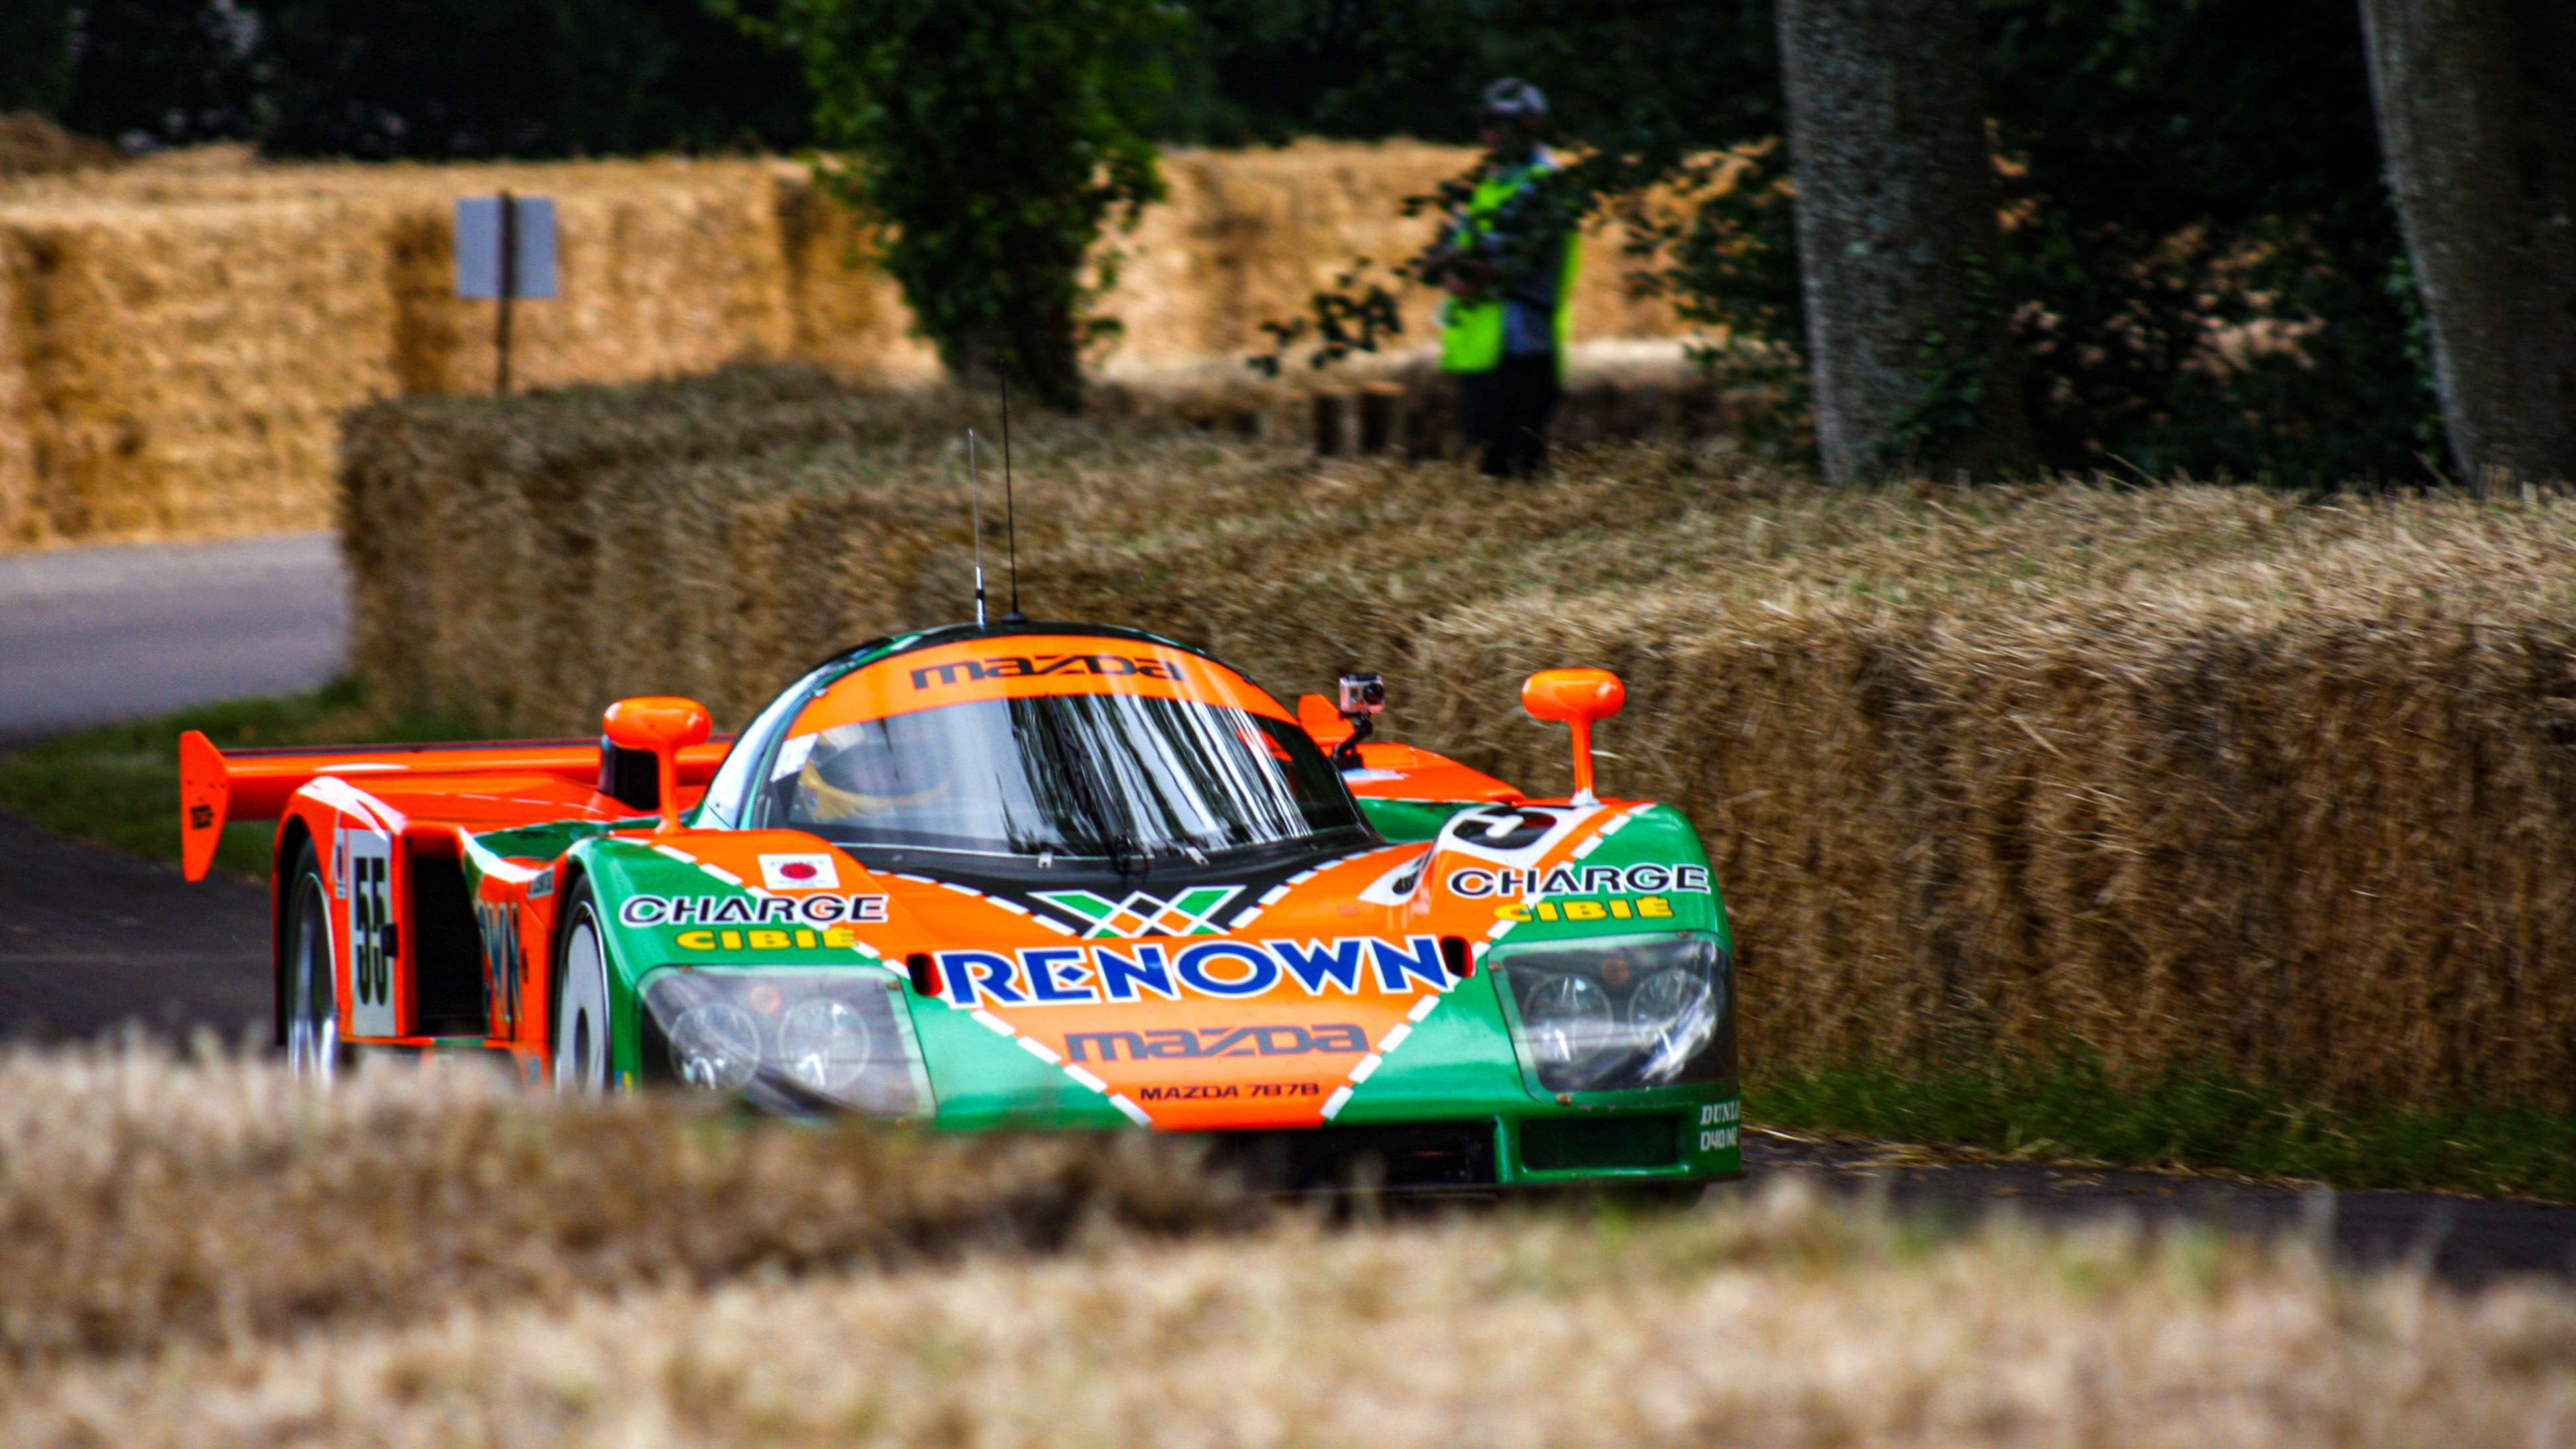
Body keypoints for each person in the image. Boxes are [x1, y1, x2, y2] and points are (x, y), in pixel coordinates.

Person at [1436, 78, 1580, 478]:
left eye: (1502, 124)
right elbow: (1446, 260)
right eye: (1486, 123)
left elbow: (1486, 268)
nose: (1490, 135)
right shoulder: (1489, 187)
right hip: (1481, 348)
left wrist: (1461, 273)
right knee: (1488, 465)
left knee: (1521, 466)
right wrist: (1456, 270)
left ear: (1531, 126)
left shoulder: (1544, 186)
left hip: (1522, 345)